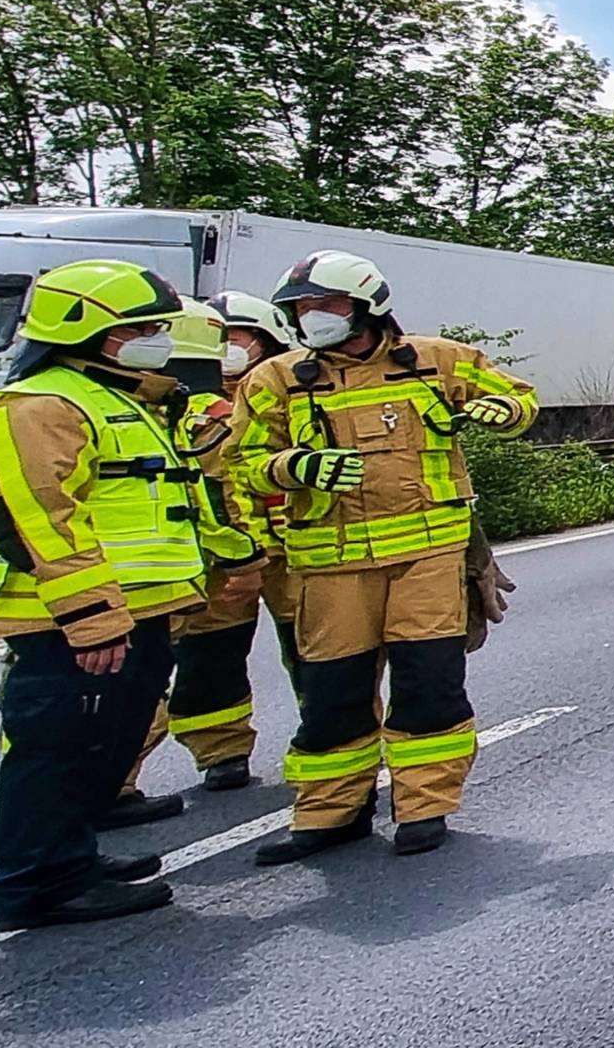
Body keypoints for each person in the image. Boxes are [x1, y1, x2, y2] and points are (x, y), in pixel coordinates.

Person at [233, 251, 538, 862]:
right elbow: (240, 461)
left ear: (367, 305)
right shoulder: (276, 380)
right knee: (332, 692)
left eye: (326, 305)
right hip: (330, 565)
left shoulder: (437, 360)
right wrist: (294, 467)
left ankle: (423, 807)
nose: (313, 317)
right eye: (301, 308)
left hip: (428, 559)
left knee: (429, 685)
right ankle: (330, 813)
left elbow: (521, 402)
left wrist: (504, 412)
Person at [0, 260, 208, 929]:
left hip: (132, 608)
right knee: (57, 748)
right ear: (83, 329)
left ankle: (71, 857)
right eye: (140, 329)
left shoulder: (112, 396)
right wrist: (89, 615)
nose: (155, 339)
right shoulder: (41, 405)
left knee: (102, 741)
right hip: (69, 618)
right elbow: (38, 518)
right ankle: (40, 885)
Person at [120, 299, 271, 796]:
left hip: (159, 568)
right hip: (194, 568)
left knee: (164, 669)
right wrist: (244, 558)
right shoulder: (208, 415)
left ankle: (115, 781)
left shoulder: (131, 409)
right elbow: (223, 499)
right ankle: (221, 754)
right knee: (204, 663)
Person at [212, 290, 307, 678]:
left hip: (293, 549)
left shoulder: (297, 391)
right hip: (224, 554)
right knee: (213, 666)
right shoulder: (184, 400)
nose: (225, 349)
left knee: (312, 656)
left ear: (266, 342)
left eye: (233, 338)